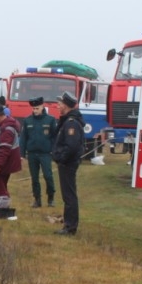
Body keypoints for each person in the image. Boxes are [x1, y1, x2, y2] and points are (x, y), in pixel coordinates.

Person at [52, 91, 85, 236]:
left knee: (69, 196)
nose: (58, 107)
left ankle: (70, 227)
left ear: (66, 105)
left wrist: (61, 158)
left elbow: (71, 146)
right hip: (66, 162)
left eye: (59, 104)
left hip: (68, 163)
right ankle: (68, 224)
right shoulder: (68, 121)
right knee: (68, 195)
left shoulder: (71, 123)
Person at [19, 97, 57, 208]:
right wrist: (22, 154)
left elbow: (54, 137)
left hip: (45, 153)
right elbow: (23, 138)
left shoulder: (50, 120)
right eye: (33, 108)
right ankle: (37, 199)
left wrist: (54, 152)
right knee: (34, 178)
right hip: (32, 153)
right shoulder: (27, 120)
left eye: (37, 108)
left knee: (48, 176)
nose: (35, 110)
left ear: (42, 107)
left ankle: (51, 198)